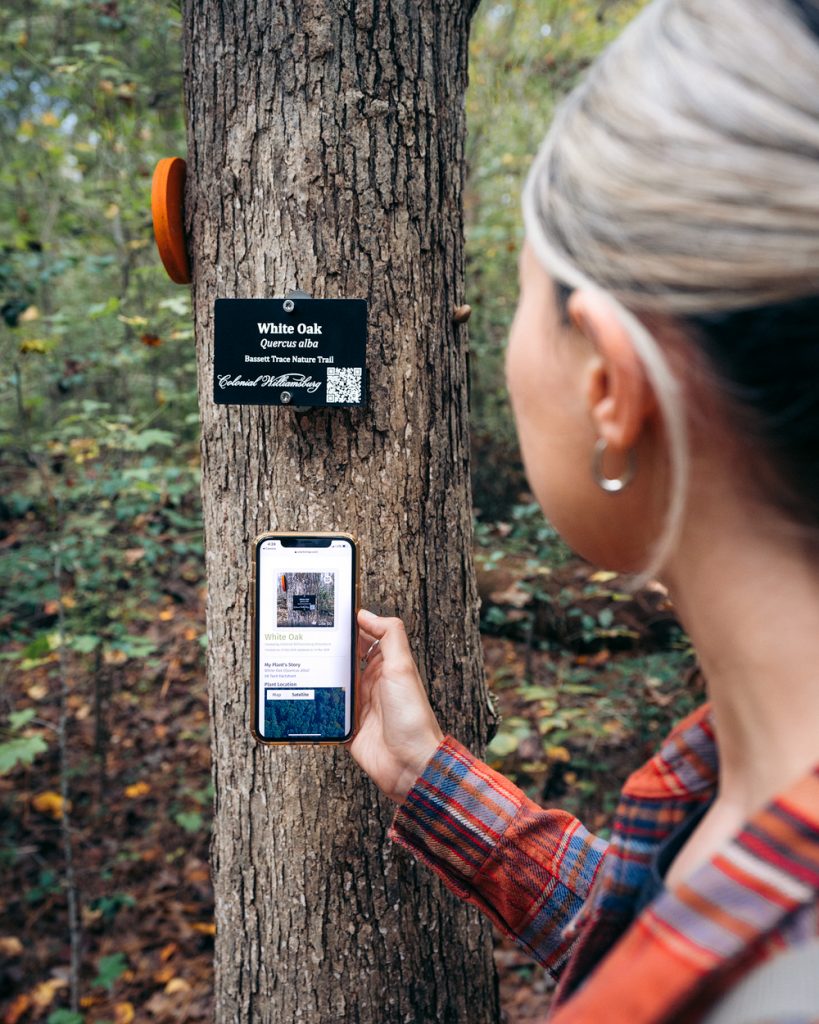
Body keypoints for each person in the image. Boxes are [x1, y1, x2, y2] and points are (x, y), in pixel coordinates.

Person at [348, 0, 819, 1020]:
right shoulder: (737, 792)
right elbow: (677, 923)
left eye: (522, 301)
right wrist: (431, 775)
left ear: (608, 382)